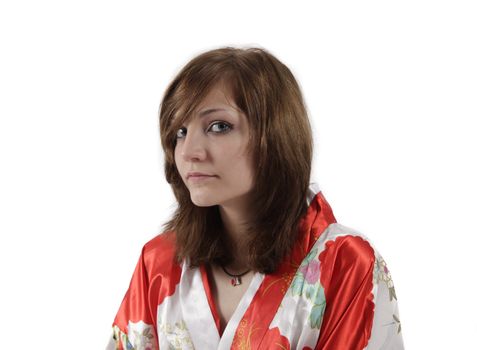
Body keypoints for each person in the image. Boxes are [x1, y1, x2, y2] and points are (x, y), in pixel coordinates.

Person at [107, 47, 404, 350]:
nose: (188, 151)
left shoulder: (345, 262)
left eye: (218, 127)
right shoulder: (159, 262)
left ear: (274, 136)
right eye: (180, 131)